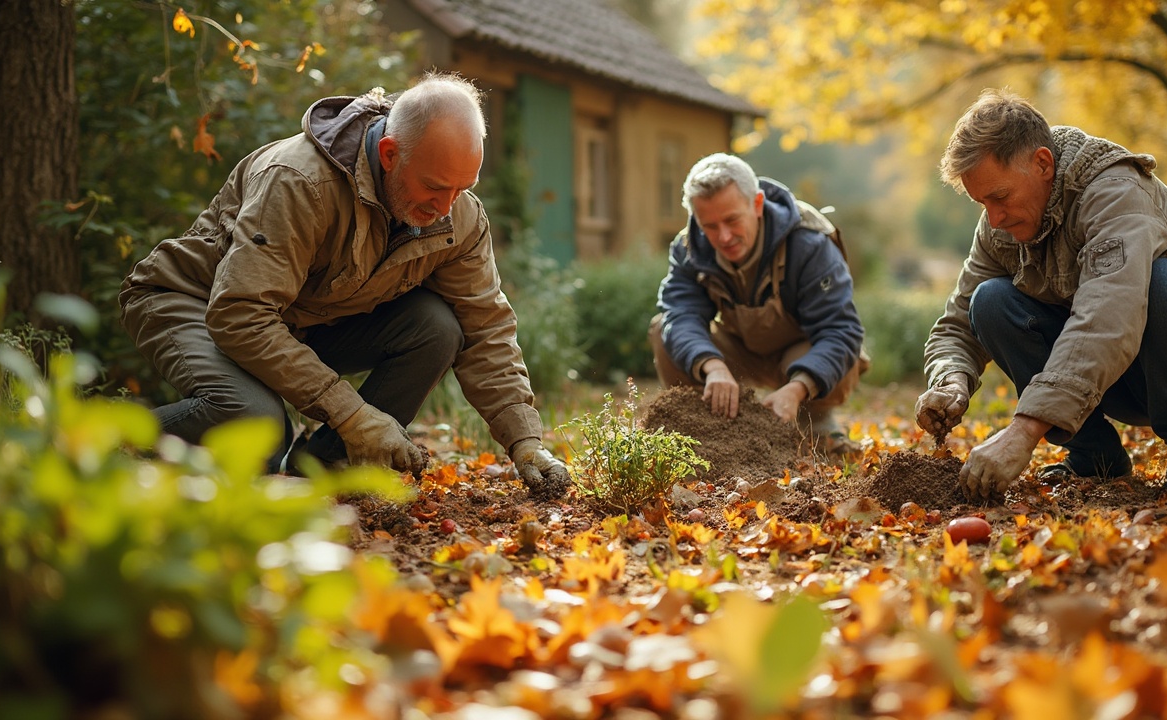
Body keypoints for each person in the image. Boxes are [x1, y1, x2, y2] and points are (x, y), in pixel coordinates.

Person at [119, 71, 570, 497]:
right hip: (194, 301)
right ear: (390, 154)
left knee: (438, 328)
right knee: (256, 421)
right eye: (435, 187)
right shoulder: (298, 181)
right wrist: (352, 414)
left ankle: (320, 470)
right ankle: (94, 449)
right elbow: (241, 314)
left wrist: (524, 440)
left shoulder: (458, 217)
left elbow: (485, 328)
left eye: (462, 188)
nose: (447, 207)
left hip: (300, 318)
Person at [917, 88, 1167, 502]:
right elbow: (958, 323)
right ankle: (1094, 457)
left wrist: (1025, 430)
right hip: (1123, 376)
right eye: (982, 203)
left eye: (1000, 197)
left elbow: (1110, 313)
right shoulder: (1000, 226)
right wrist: (952, 380)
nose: (994, 218)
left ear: (1043, 164)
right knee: (990, 301)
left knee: (1163, 278)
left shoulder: (1114, 189)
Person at [649, 153, 867, 454]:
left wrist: (797, 387)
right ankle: (707, 429)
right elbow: (680, 313)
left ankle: (817, 421)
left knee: (846, 351)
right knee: (663, 329)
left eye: (731, 220)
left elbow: (841, 330)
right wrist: (711, 366)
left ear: (757, 204)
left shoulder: (810, 243)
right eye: (708, 225)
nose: (723, 236)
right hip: (737, 354)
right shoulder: (689, 248)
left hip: (800, 356)